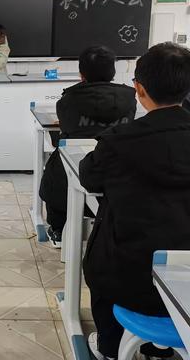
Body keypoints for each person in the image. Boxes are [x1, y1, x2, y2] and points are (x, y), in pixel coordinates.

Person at [80, 42, 190, 360]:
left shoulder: (119, 141)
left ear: (139, 89)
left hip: (130, 280)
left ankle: (110, 347)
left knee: (99, 256)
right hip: (186, 280)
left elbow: (89, 178)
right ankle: (160, 349)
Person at [39, 46, 136, 247]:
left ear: (81, 73)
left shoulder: (68, 100)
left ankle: (58, 229)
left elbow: (65, 133)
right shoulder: (129, 99)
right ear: (113, 72)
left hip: (78, 170)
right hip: (117, 171)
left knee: (55, 168)